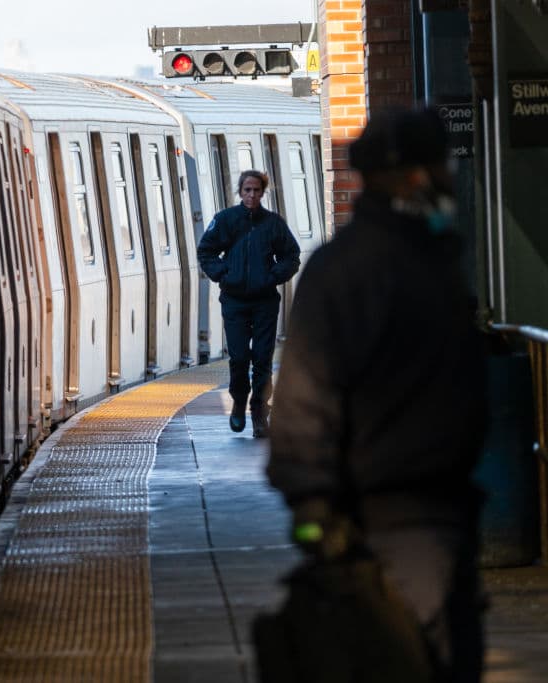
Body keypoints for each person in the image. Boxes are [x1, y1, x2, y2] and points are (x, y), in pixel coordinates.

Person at [267, 107, 488, 682]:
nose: (448, 178)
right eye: (438, 166)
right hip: (396, 517)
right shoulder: (372, 269)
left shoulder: (412, 258)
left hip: (435, 511)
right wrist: (315, 508)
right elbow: (307, 397)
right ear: (411, 177)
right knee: (417, 658)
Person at [197, 170, 301, 438]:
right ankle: (239, 401)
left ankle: (259, 413)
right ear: (240, 192)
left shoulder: (274, 224)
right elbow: (206, 250)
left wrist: (272, 277)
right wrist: (223, 274)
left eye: (256, 190)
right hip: (234, 300)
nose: (252, 195)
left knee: (263, 358)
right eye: (247, 190)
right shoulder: (226, 220)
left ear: (263, 192)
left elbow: (291, 255)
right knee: (240, 357)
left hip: (265, 301)